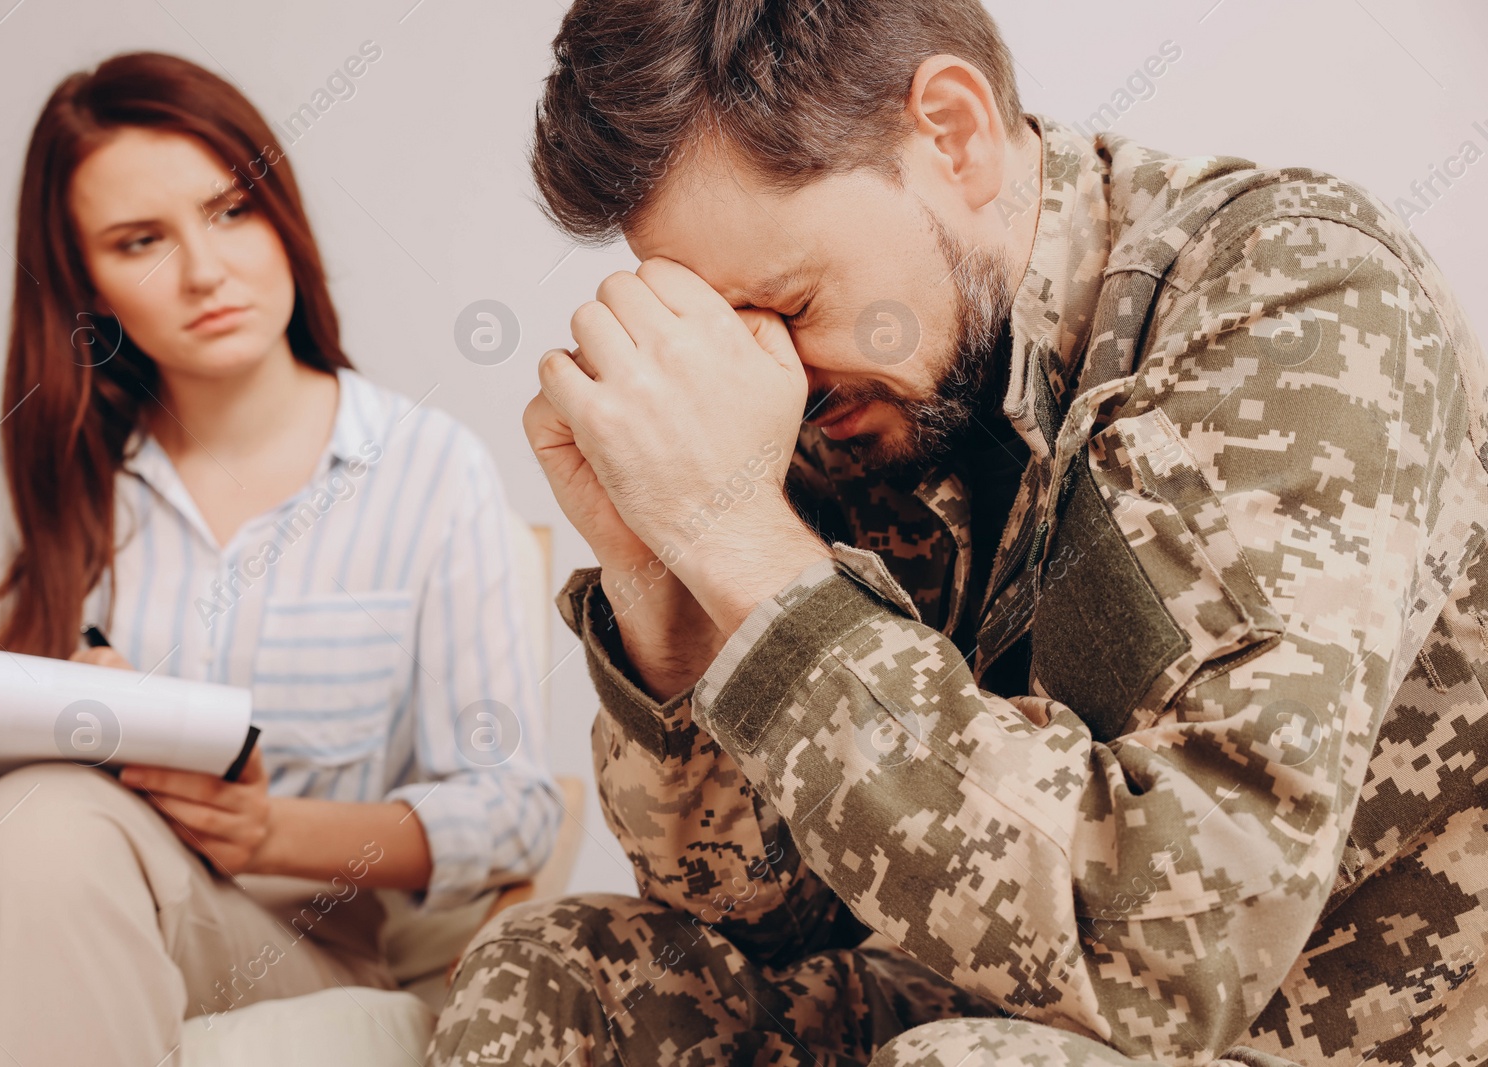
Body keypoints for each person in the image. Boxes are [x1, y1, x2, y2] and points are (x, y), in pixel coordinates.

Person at [429, 1, 1488, 1065]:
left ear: (951, 132)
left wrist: (751, 550)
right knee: (553, 971)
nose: (776, 376)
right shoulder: (851, 396)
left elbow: (1177, 958)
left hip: (1291, 1038)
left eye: (789, 304)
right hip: (974, 1004)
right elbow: (764, 913)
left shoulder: (1295, 297)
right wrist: (658, 572)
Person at [0, 51, 559, 1066]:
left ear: (280, 210)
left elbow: (511, 810)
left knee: (56, 823)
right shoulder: (28, 471)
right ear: (86, 285)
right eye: (140, 241)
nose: (205, 271)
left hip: (283, 930)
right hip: (16, 877)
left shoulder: (427, 470)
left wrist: (267, 829)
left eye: (231, 210)